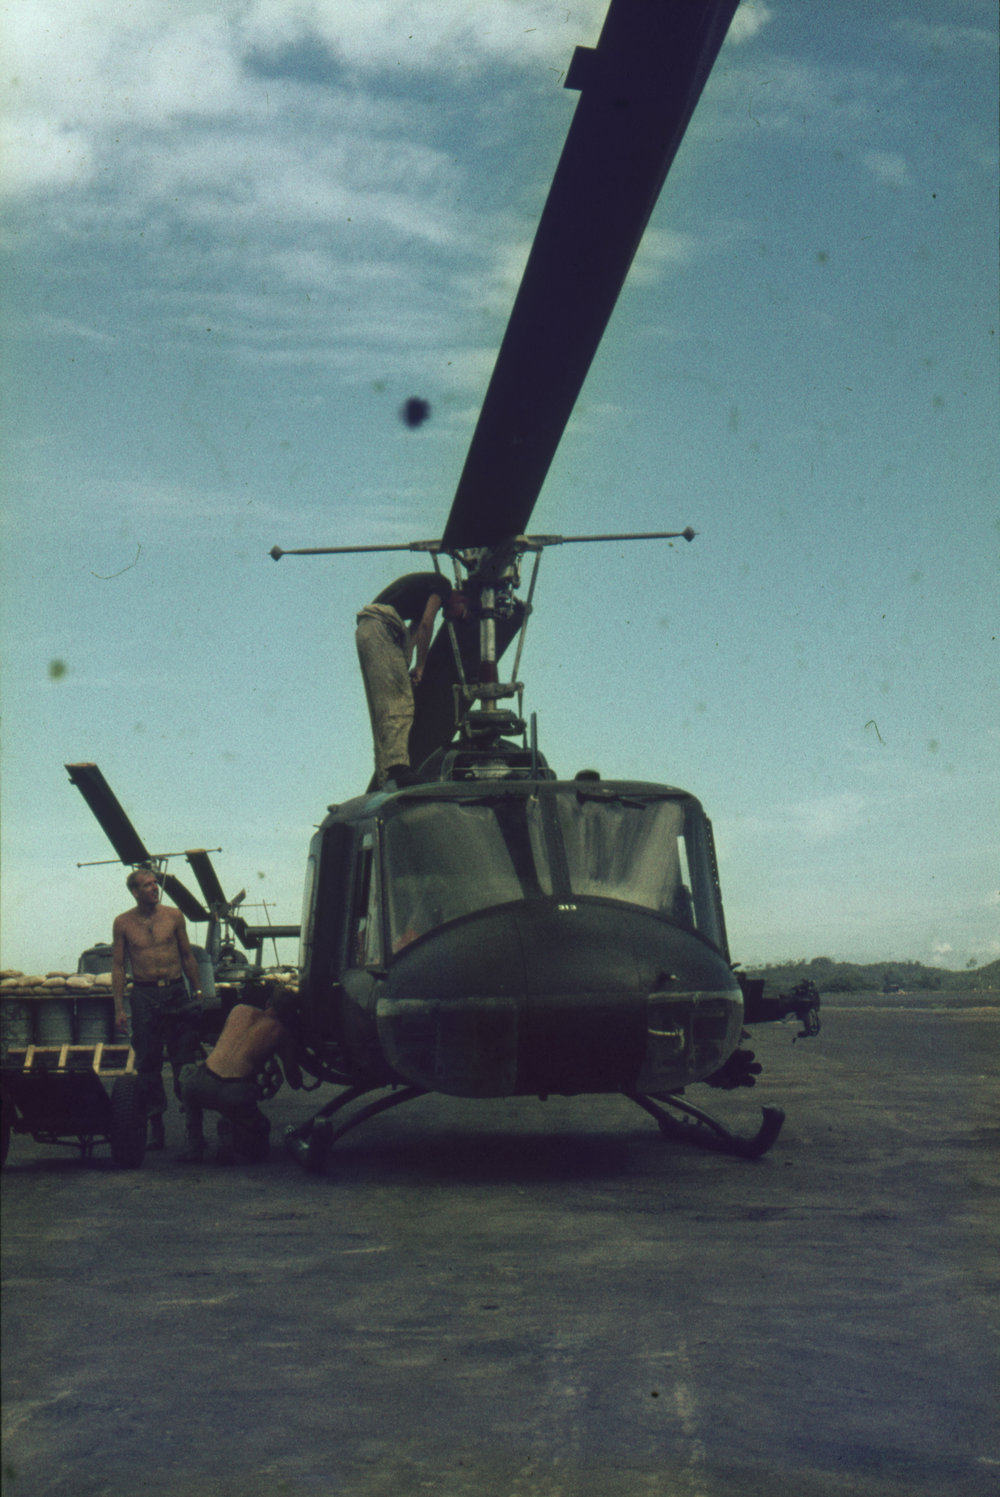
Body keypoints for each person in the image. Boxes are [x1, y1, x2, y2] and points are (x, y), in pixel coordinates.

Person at [112, 867, 205, 1150]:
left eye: (155, 883)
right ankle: (156, 1126)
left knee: (184, 1060)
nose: (155, 888)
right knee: (147, 1062)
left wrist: (198, 993)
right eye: (147, 885)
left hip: (176, 993)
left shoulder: (174, 916)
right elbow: (118, 966)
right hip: (144, 995)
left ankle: (193, 1129)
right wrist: (119, 1008)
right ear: (135, 891)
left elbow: (188, 956)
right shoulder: (123, 923)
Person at [356, 572, 469, 788]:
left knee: (384, 705)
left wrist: (407, 665)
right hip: (382, 625)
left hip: (368, 628)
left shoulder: (422, 597)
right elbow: (427, 625)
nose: (453, 618)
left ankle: (385, 775)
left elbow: (415, 631)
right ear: (461, 600)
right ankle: (397, 769)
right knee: (400, 700)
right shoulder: (443, 586)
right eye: (461, 614)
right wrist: (421, 665)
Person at [177, 990, 303, 1164]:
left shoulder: (239, 1009)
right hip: (235, 1092)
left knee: (188, 1077)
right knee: (260, 1147)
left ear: (268, 1003)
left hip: (202, 1084)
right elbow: (295, 1082)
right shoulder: (281, 1033)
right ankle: (234, 1136)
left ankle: (194, 1148)